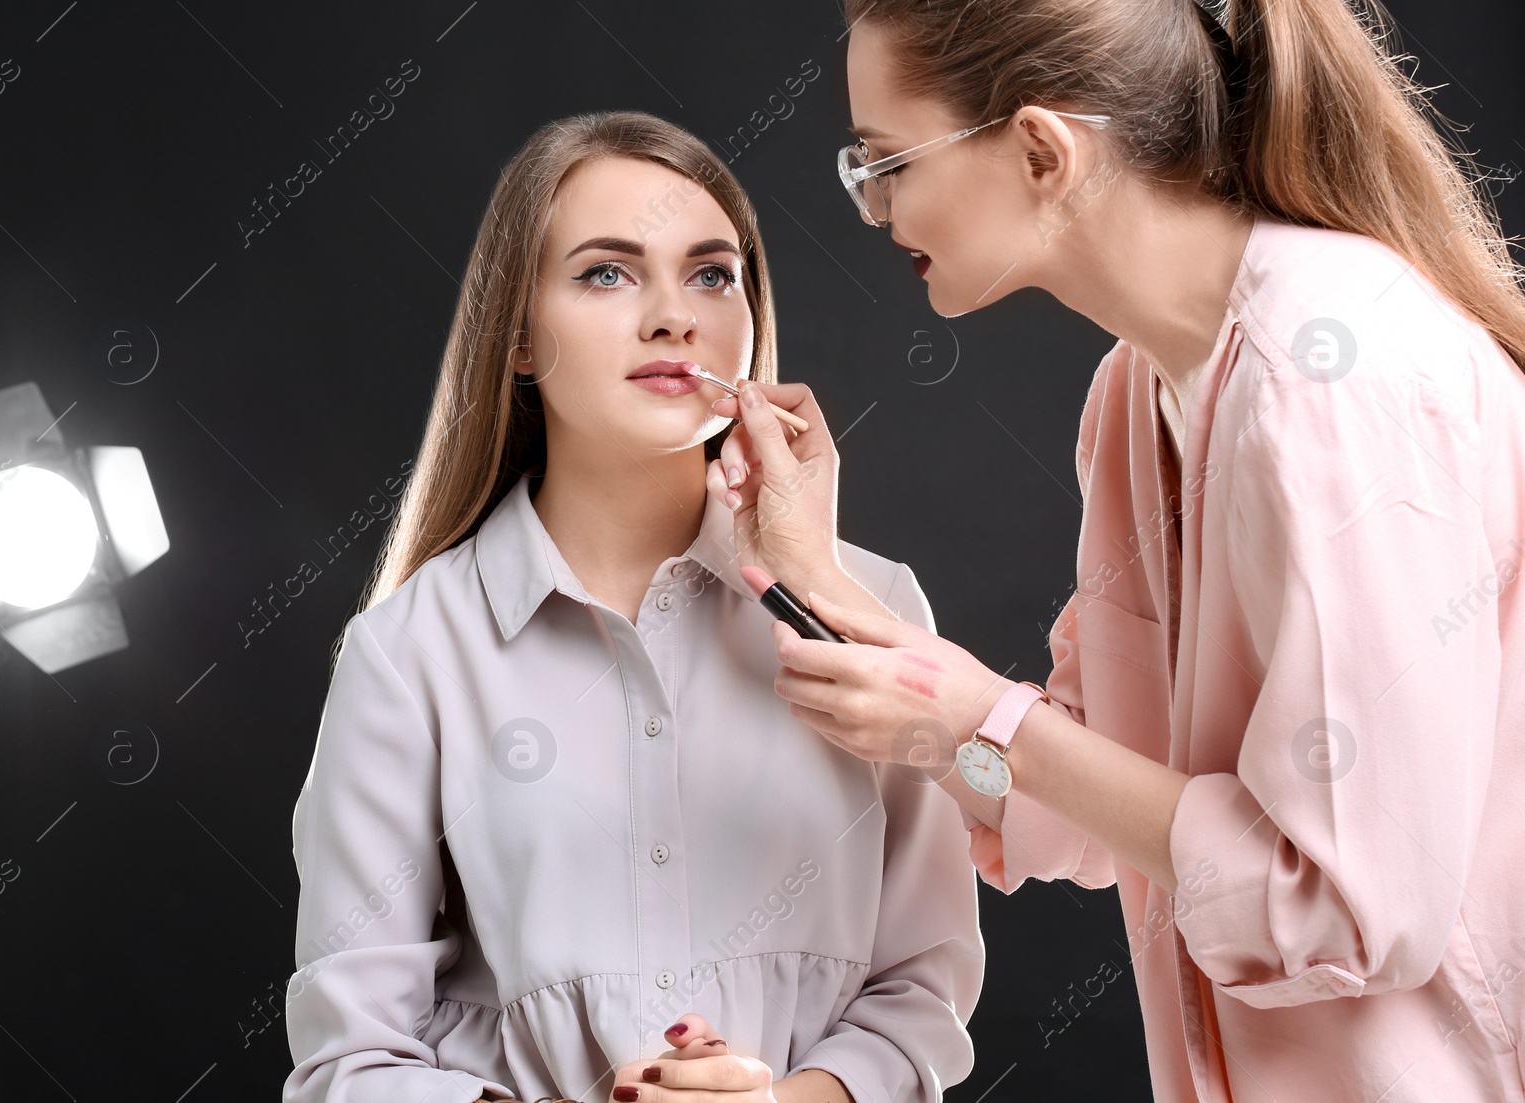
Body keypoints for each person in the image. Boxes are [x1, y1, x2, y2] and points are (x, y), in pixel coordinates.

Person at [699, 1, 1525, 1100]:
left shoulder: (1335, 382)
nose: (875, 206)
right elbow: (1079, 793)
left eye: (890, 162)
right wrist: (821, 585)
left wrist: (986, 722)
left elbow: (1344, 907)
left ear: (1044, 150)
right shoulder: (1136, 395)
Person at [281, 110, 984, 1103]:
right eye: (607, 272)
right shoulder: (409, 653)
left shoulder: (870, 604)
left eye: (710, 273)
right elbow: (349, 1062)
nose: (672, 315)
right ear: (519, 337)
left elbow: (922, 990)